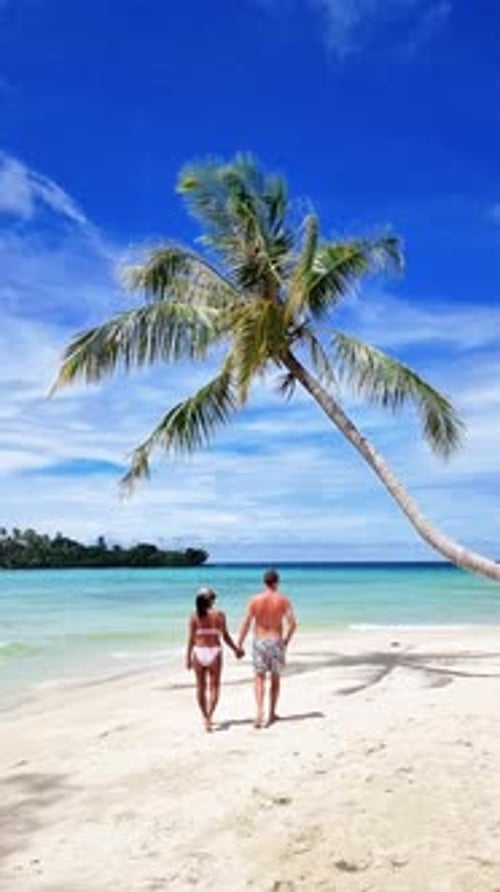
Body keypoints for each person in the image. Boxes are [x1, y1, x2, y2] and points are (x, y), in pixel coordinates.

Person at [237, 568, 297, 729]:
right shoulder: (283, 600)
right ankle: (271, 714)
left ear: (264, 582)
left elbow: (246, 623)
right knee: (275, 678)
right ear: (277, 582)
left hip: (260, 640)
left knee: (259, 677)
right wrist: (286, 641)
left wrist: (239, 644)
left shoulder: (254, 600)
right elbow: (293, 624)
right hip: (276, 640)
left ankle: (259, 712)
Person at [186, 586, 243, 732]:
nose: (215, 599)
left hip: (198, 652)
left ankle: (205, 717)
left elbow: (191, 639)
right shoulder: (220, 615)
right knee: (215, 687)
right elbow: (225, 637)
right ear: (210, 600)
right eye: (214, 597)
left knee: (200, 687)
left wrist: (187, 657)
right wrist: (236, 649)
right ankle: (209, 717)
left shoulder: (194, 616)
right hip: (214, 652)